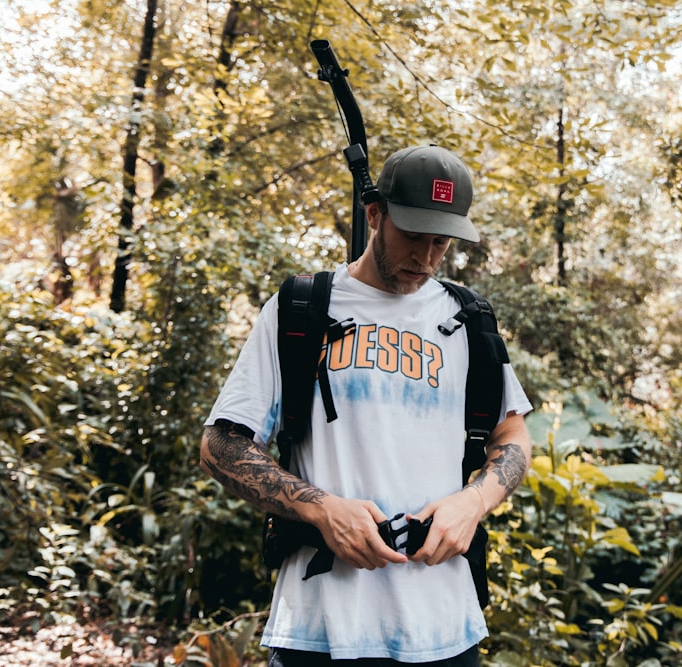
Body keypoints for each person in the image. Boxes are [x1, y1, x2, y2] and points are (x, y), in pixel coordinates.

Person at [200, 144, 533, 666]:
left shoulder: (470, 323)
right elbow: (220, 443)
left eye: (440, 242)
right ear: (374, 213)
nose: (424, 257)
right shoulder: (302, 307)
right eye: (412, 236)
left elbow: (511, 437)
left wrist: (473, 502)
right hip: (320, 627)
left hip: (444, 626)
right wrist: (322, 510)